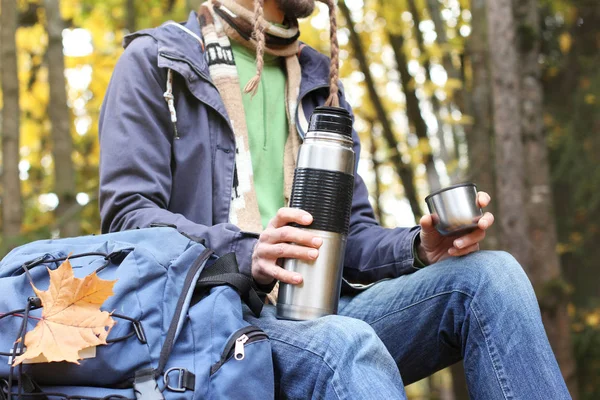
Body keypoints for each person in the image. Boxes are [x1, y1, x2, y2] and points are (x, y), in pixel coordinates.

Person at [98, 0, 571, 398]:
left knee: (492, 277)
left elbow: (352, 236)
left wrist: (418, 248)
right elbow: (128, 218)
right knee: (345, 341)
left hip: (323, 306)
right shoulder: (156, 62)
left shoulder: (321, 82)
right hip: (221, 323)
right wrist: (247, 253)